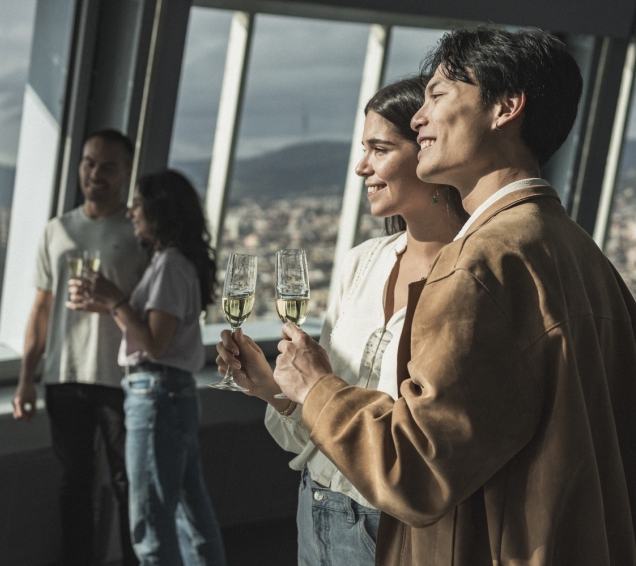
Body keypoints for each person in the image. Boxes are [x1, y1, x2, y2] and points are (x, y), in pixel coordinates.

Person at [271, 26, 636, 565]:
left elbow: (415, 471)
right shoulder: (585, 257)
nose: (419, 118)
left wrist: (316, 386)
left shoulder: (479, 264)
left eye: (438, 95)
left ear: (506, 107)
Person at [215, 77, 467, 565]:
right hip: (317, 507)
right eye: (363, 149)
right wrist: (272, 388)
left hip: (395, 530)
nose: (361, 167)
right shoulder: (360, 264)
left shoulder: (468, 278)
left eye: (379, 148)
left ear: (429, 151)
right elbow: (320, 420)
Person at [71, 169, 227, 566]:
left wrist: (115, 300)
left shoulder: (170, 266)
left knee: (151, 527)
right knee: (192, 520)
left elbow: (156, 343)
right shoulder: (173, 263)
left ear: (159, 211)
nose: (131, 213)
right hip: (174, 396)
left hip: (156, 397)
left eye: (137, 204)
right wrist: (111, 304)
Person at [12, 129, 145, 566]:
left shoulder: (138, 232)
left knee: (130, 485)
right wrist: (25, 381)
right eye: (89, 162)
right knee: (74, 484)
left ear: (126, 172)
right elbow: (42, 310)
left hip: (120, 378)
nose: (95, 173)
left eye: (108, 166)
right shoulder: (59, 230)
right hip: (65, 378)